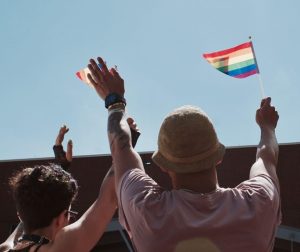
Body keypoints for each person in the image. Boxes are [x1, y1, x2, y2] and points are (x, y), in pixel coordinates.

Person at [87, 56, 281, 252]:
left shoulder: (146, 209)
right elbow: (267, 157)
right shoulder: (258, 203)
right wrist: (267, 127)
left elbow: (122, 149)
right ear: (219, 157)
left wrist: (115, 102)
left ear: (163, 165)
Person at [0, 119, 140, 252]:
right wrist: (127, 144)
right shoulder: (62, 248)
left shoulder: (5, 247)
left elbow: (29, 214)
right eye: (70, 215)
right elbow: (108, 198)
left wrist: (61, 172)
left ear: (20, 215)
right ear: (60, 219)